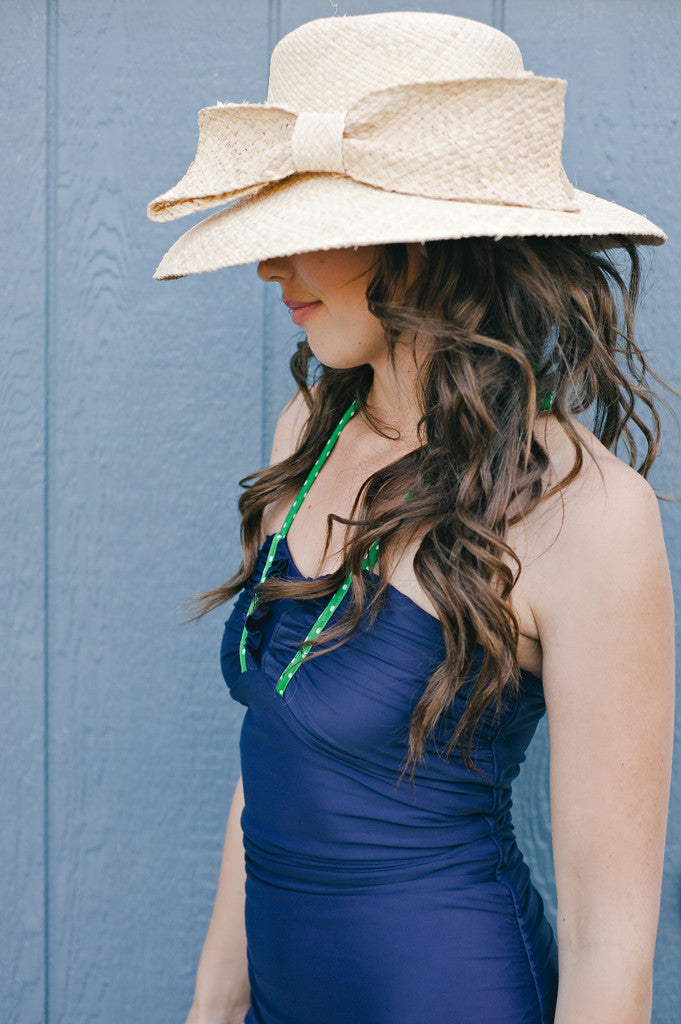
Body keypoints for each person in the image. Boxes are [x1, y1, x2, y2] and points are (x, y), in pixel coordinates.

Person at [148, 12, 675, 1024]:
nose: (270, 269)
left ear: (426, 239)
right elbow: (277, 746)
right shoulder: (308, 432)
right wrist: (212, 1007)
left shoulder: (586, 513)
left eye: (309, 230)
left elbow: (611, 944)